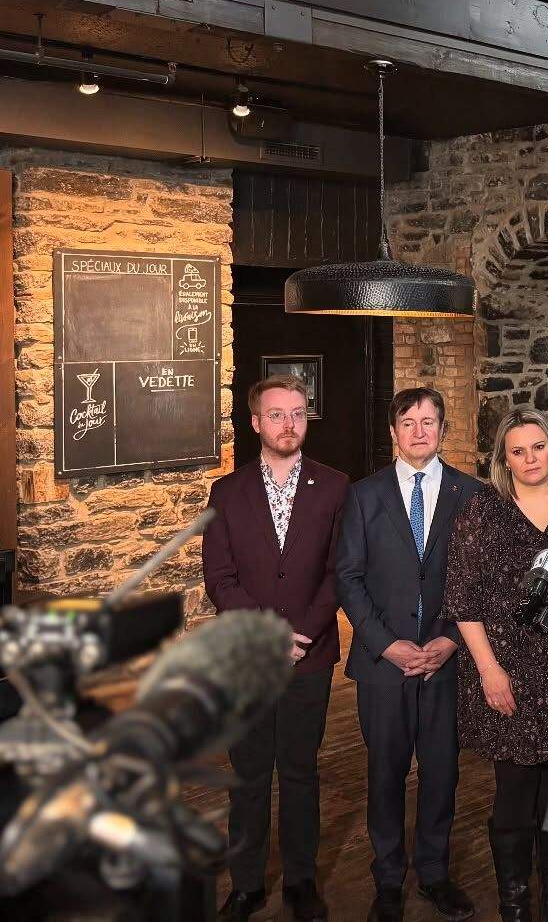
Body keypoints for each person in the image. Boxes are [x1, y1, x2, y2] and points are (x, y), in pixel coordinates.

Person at [202, 374, 348, 922]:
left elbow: (338, 572)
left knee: (301, 771)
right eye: (277, 414)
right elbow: (219, 577)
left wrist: (300, 634)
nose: (289, 424)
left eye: (298, 413)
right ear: (255, 422)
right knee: (249, 775)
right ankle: (246, 885)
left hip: (310, 653)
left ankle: (301, 882)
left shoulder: (335, 486)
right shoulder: (227, 492)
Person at [445, 409, 548, 922]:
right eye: (518, 451)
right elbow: (462, 598)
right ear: (503, 459)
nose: (530, 459)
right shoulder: (483, 508)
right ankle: (514, 902)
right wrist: (488, 670)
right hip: (504, 667)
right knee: (513, 792)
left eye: (538, 447)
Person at [336, 387, 481, 922]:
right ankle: (388, 879)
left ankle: (435, 873)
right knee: (386, 773)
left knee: (442, 773)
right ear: (393, 431)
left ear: (443, 429)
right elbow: (348, 578)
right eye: (408, 422)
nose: (419, 431)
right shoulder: (363, 495)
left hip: (447, 659)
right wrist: (385, 644)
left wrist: (451, 639)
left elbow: (480, 577)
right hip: (383, 664)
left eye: (429, 422)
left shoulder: (472, 494)